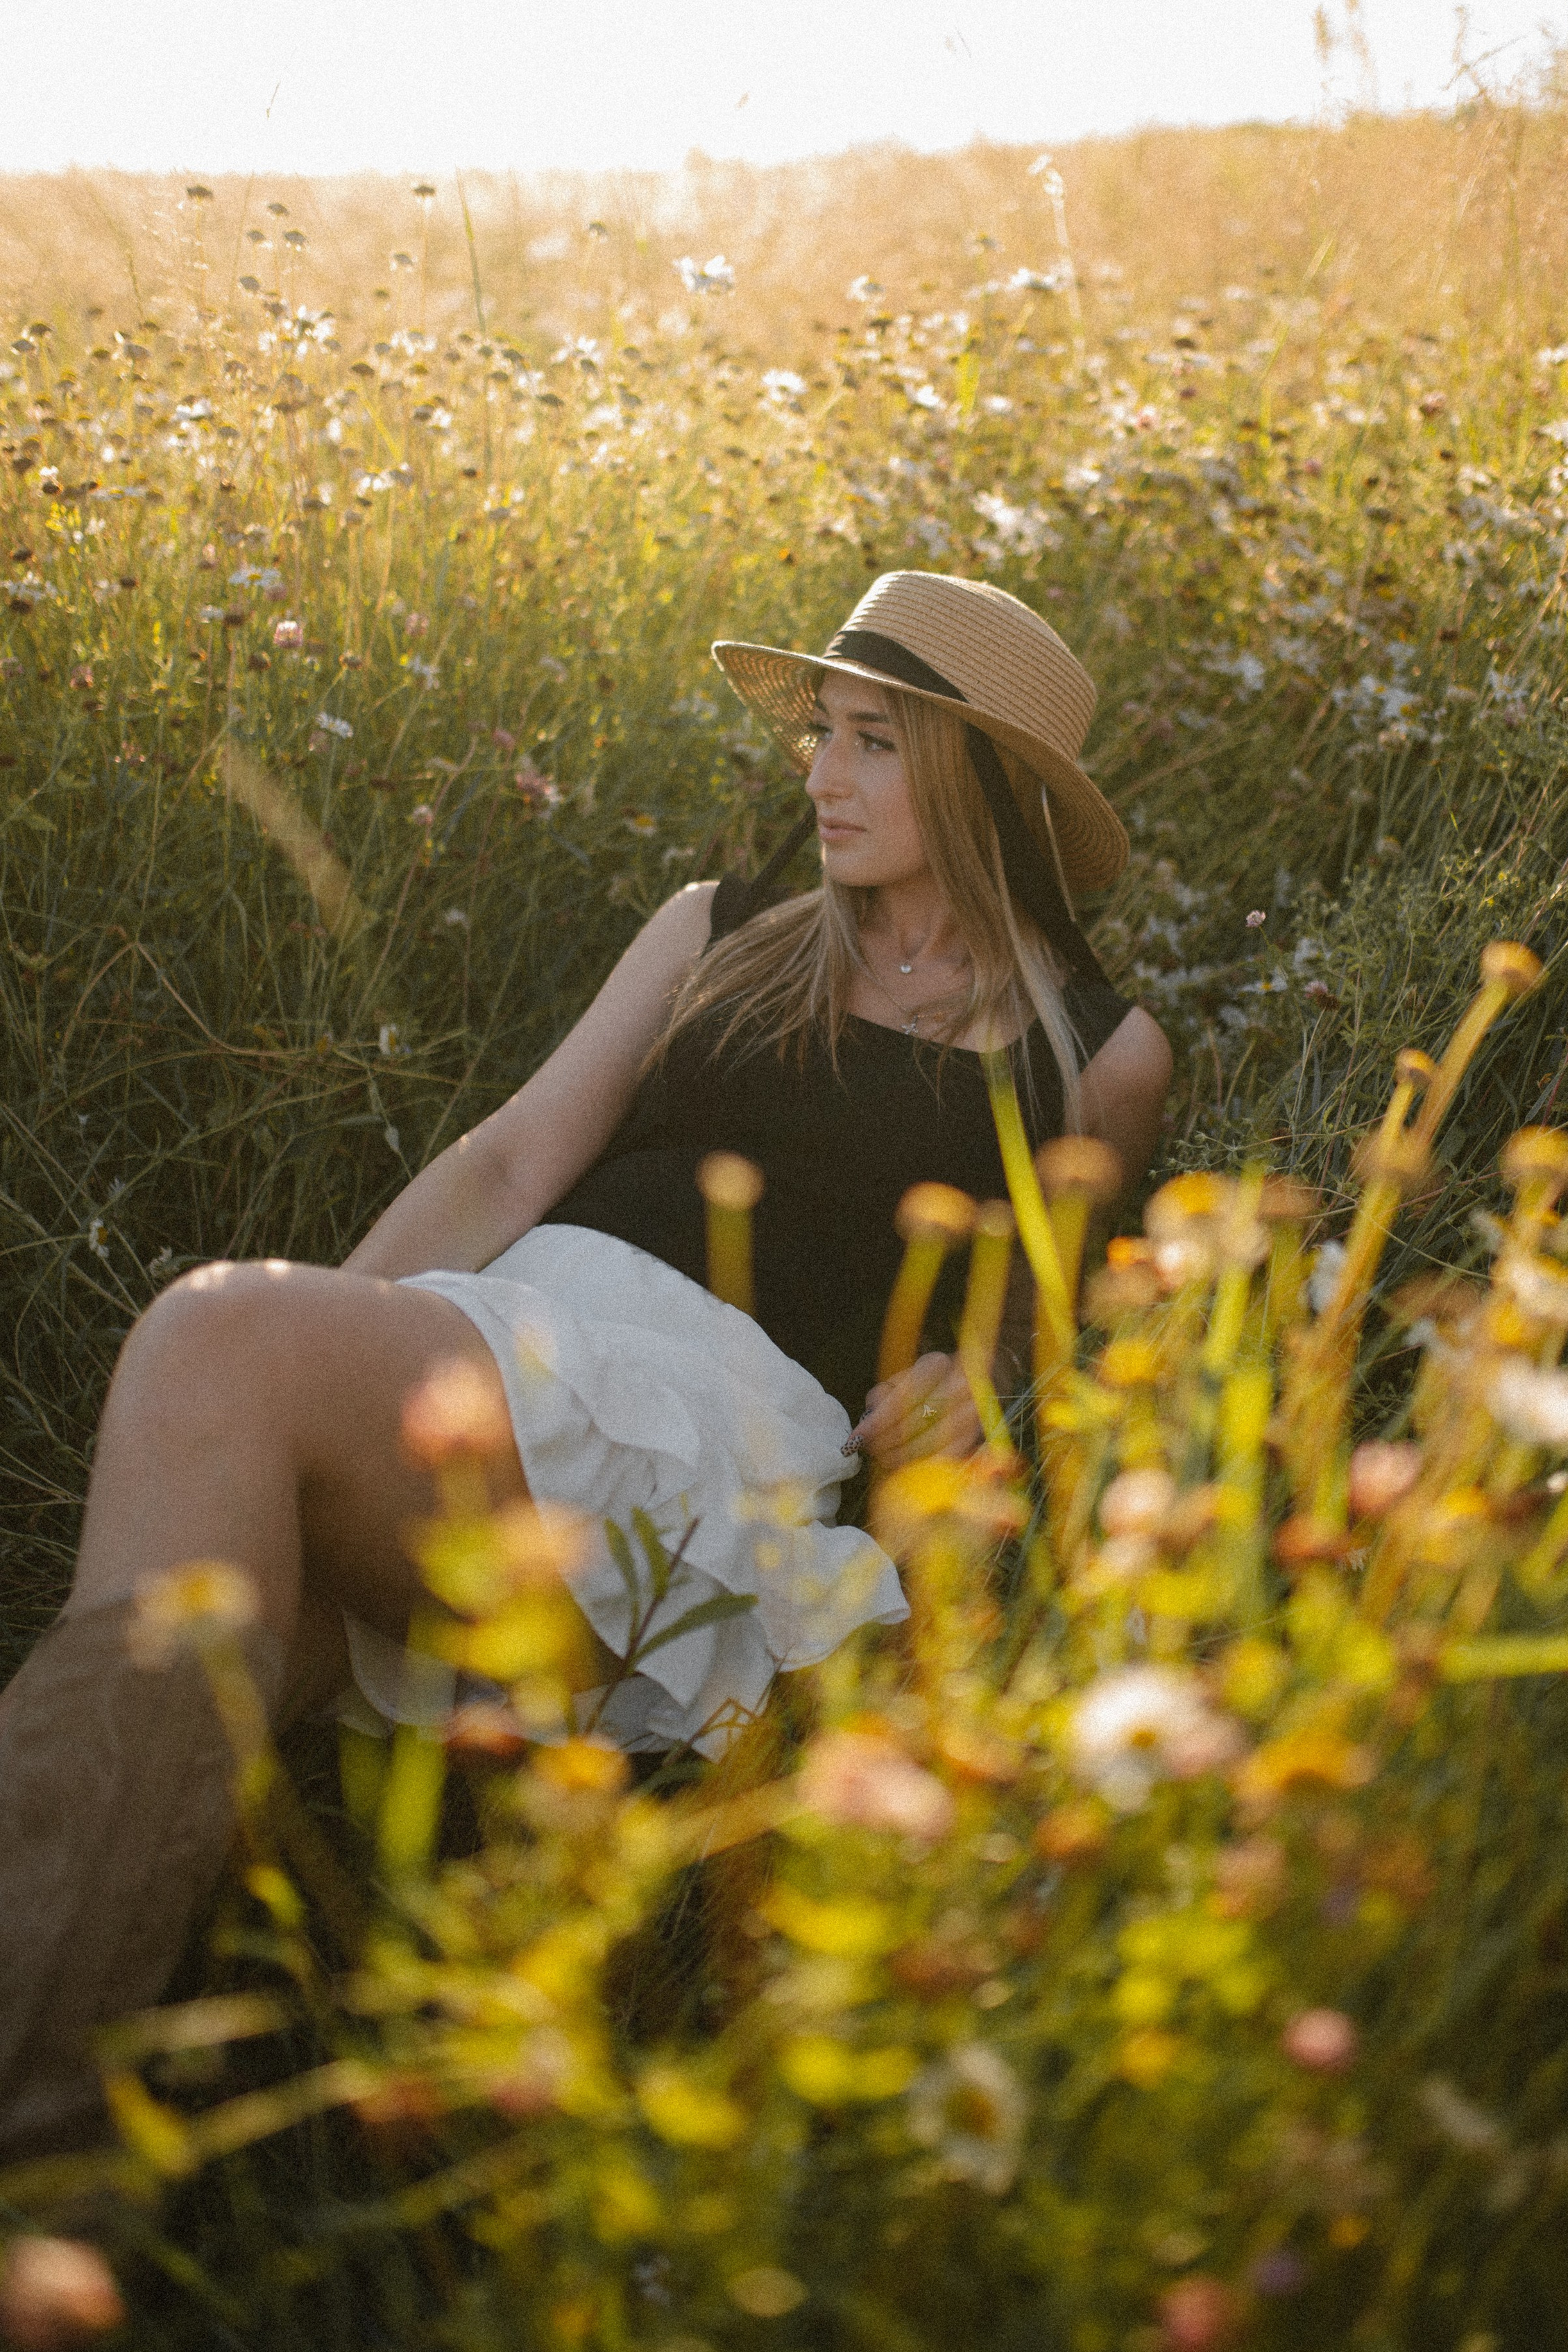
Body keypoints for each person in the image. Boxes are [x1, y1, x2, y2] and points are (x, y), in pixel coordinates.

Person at [0, 568, 1171, 2160]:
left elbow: (1070, 1313)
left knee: (213, 1331)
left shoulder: (1094, 1050)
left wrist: (1000, 1379)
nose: (819, 776)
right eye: (821, 733)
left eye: (873, 742)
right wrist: (307, 1384)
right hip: (509, 1353)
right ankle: (54, 2154)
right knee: (192, 1675)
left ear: (978, 779)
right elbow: (505, 1168)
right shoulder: (720, 928)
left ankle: (44, 2128)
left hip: (694, 1445)